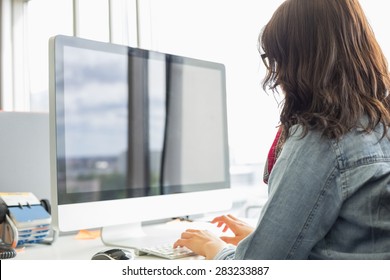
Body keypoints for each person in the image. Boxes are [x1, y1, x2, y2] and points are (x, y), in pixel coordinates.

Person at [173, 0, 390, 259]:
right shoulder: (378, 125)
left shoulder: (324, 139)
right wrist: (264, 235)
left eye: (276, 59)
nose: (276, 75)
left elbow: (257, 268)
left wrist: (215, 247)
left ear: (298, 60)